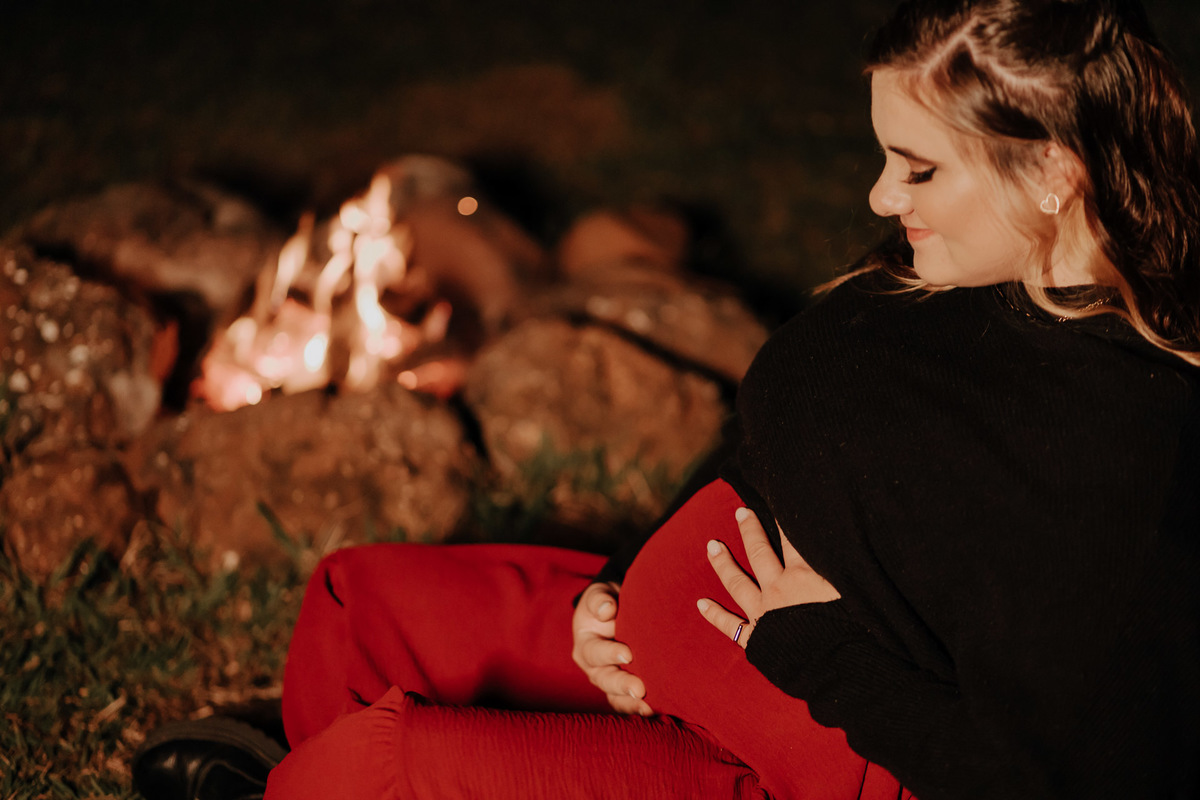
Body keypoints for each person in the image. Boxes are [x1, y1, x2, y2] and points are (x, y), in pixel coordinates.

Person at [133, 0, 1200, 798]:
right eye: (884, 157)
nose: (882, 196)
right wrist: (626, 579)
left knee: (384, 765)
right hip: (703, 650)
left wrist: (813, 652)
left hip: (832, 747)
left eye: (917, 170)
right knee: (352, 603)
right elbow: (776, 439)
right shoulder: (960, 270)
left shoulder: (1125, 452)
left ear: (1056, 173)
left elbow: (1038, 773)